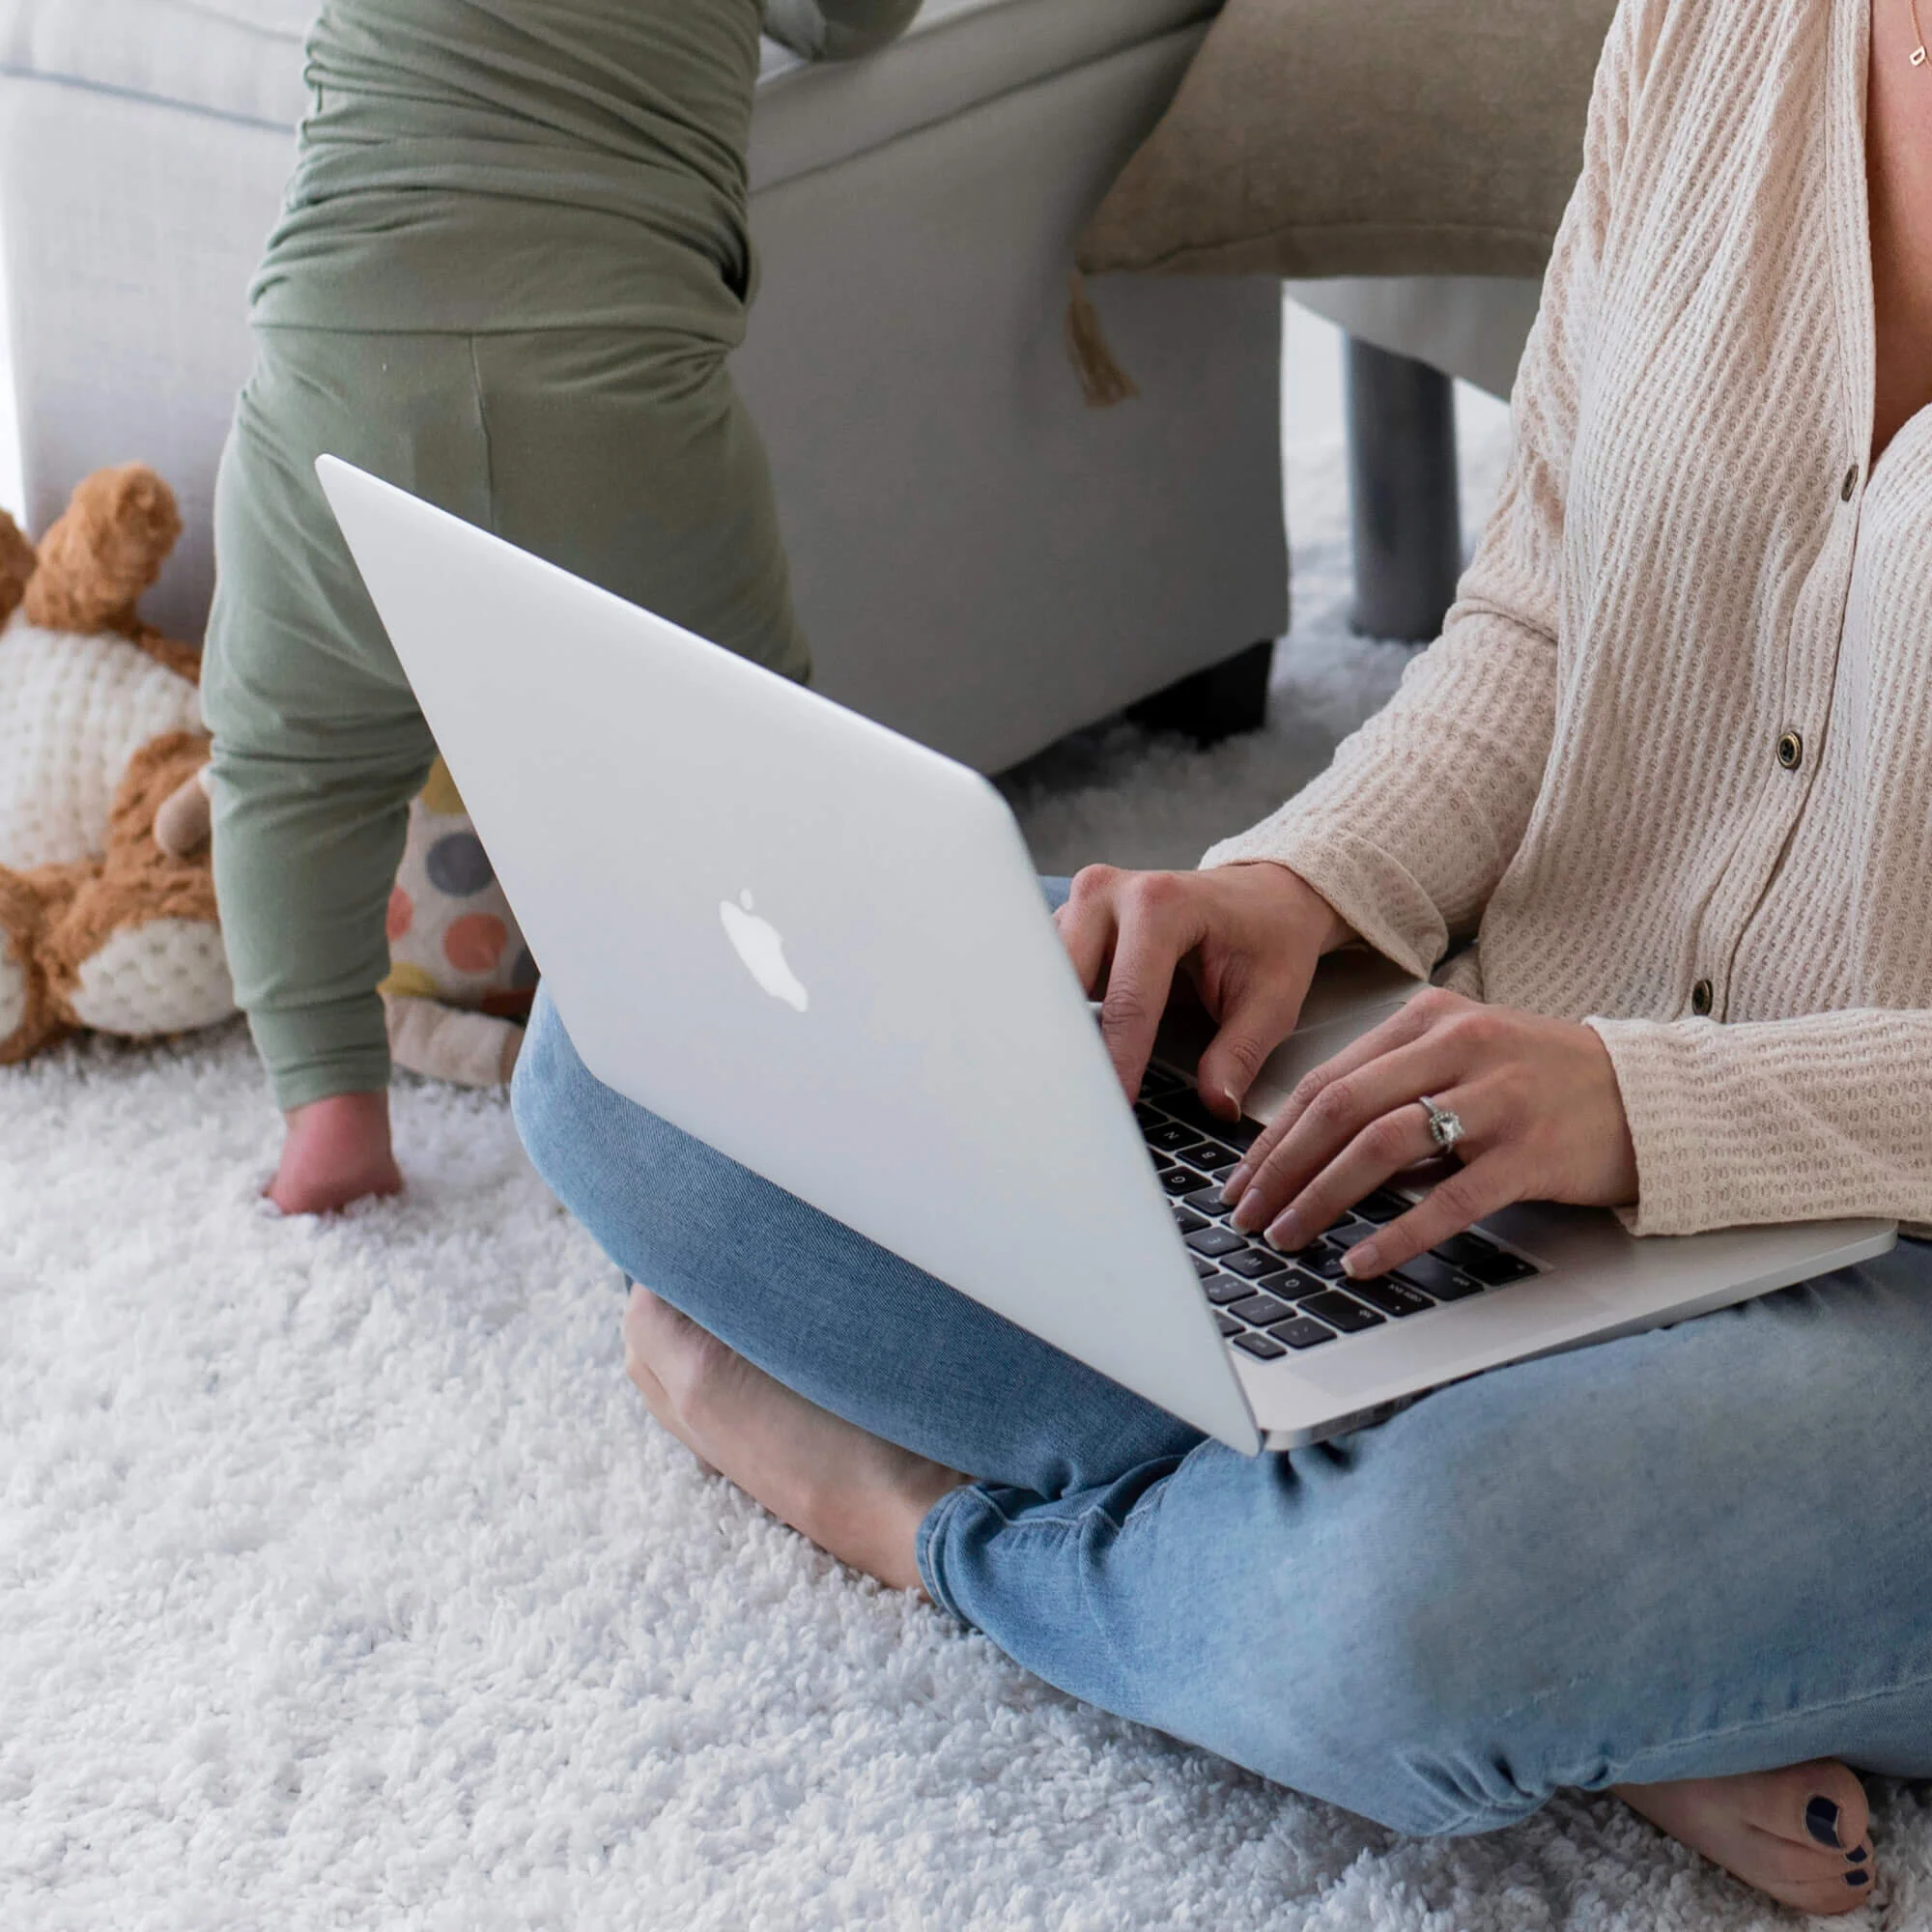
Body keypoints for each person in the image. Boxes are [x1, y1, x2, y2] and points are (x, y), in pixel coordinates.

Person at [515, 0, 1932, 1912]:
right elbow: (1536, 619)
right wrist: (1293, 889)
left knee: (1405, 1607)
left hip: (1884, 1281)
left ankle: (926, 1517)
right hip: (1492, 1125)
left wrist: (1654, 1107)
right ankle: (1610, 1642)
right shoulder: (1720, 29)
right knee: (638, 1039)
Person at [202, 0, 919, 1214]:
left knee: (292, 760)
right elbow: (846, 22)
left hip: (338, 372)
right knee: (745, 762)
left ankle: (328, 1111)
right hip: (619, 399)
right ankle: (762, 1101)